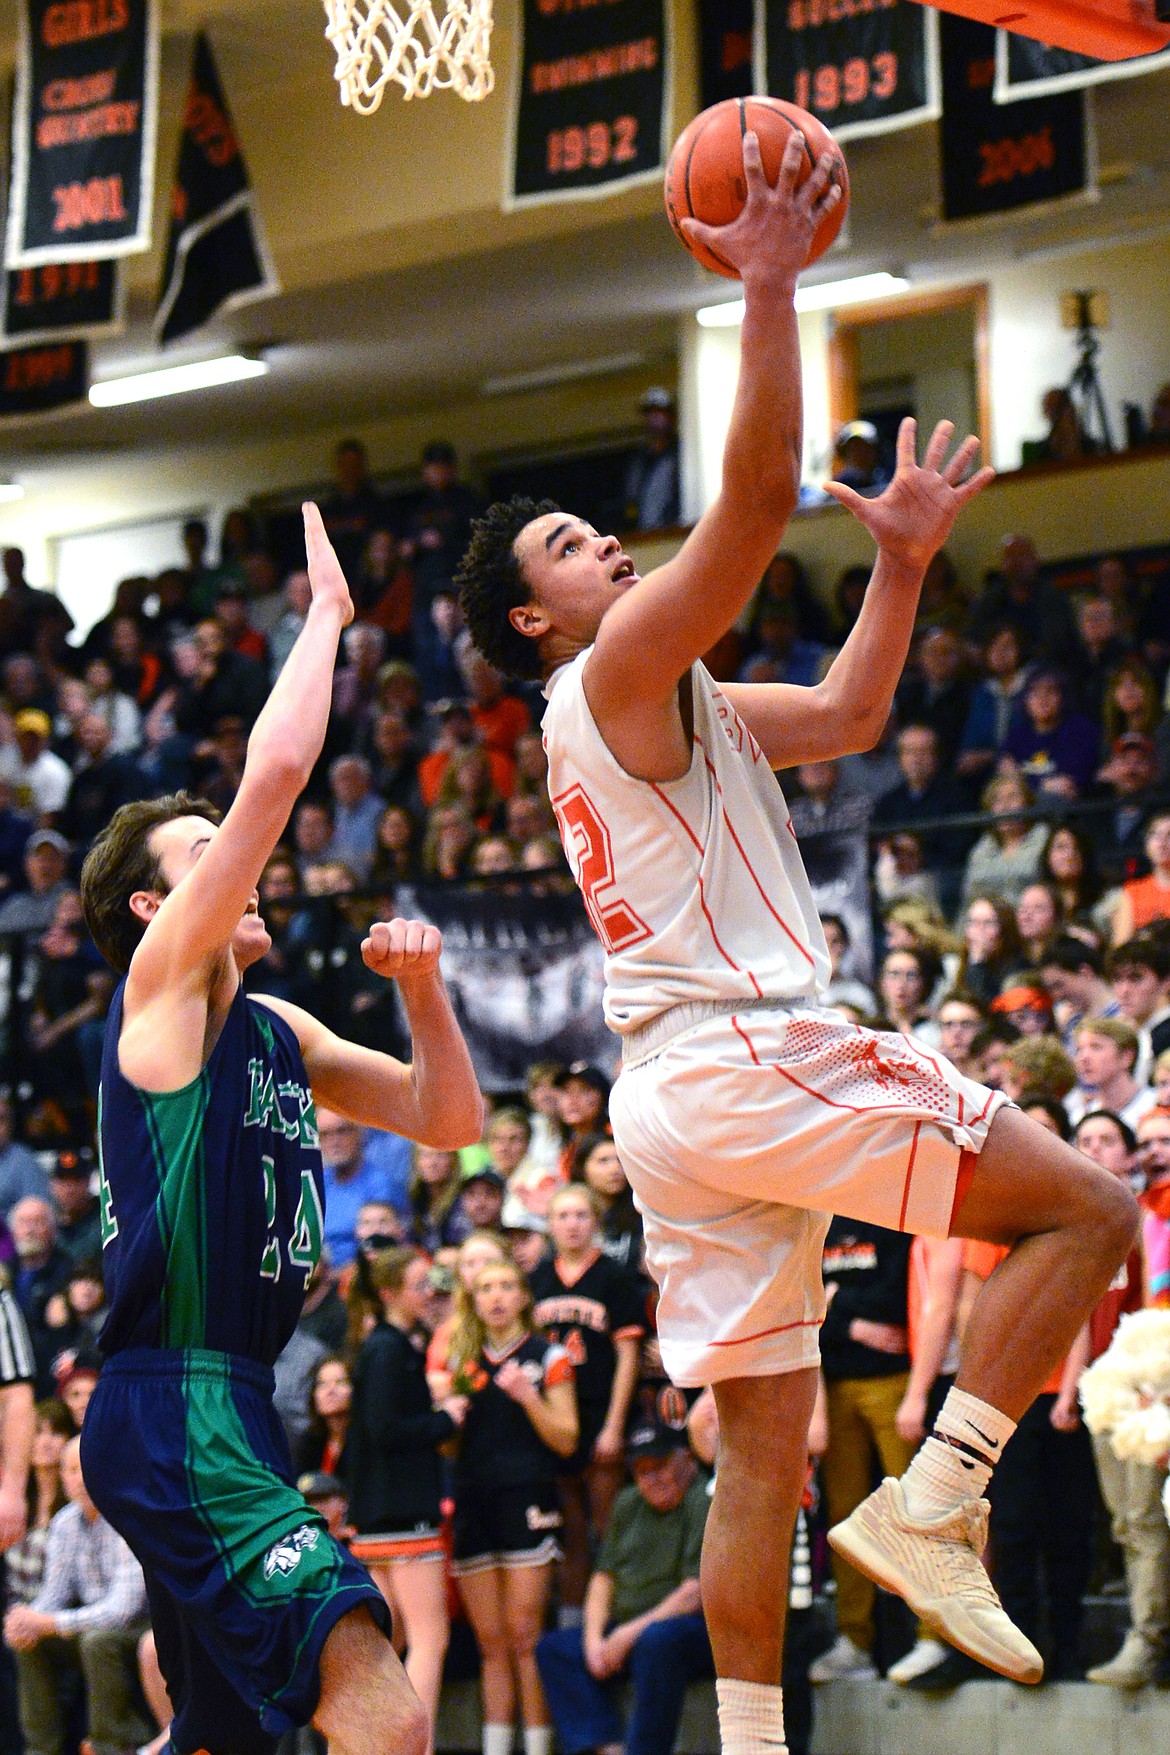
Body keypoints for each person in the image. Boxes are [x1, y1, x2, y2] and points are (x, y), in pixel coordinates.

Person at [454, 124, 1139, 1750]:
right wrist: (768, 286)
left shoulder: (661, 695)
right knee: (1093, 1210)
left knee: (761, 1446)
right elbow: (759, 499)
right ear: (534, 623)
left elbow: (846, 706)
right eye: (571, 550)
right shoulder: (608, 674)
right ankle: (940, 1494)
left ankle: (754, 1745)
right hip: (741, 1050)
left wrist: (899, 564)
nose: (605, 548)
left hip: (677, 1106)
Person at [75, 504, 484, 1755]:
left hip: (234, 1401)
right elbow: (276, 778)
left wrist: (422, 993)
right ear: (161, 904)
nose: (239, 869)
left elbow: (446, 1116)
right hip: (173, 1401)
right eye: (208, 859)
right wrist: (324, 623)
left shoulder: (280, 1030)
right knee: (382, 1709)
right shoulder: (164, 998)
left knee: (223, 1737)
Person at [448, 1257, 578, 1755]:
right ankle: (497, 1747)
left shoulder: (549, 1356)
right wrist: (442, 1412)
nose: (497, 1296)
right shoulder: (465, 1364)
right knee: (491, 1643)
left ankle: (539, 1746)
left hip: (528, 1498)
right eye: (486, 1288)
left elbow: (567, 1439)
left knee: (525, 1636)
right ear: (474, 1300)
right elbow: (450, 1447)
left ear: (524, 1296)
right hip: (475, 1502)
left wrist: (529, 1398)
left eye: (506, 1286)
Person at [535, 1414, 714, 1755]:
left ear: (685, 1460)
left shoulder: (702, 1500)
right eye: (641, 1470)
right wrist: (593, 1640)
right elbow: (604, 1577)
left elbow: (697, 1592)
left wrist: (625, 1635)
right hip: (632, 1630)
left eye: (659, 1466)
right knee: (555, 1649)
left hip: (688, 1630)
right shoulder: (629, 1502)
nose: (651, 1479)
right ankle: (607, 1748)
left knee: (657, 1642)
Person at [346, 1246, 466, 1743]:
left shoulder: (385, 1346)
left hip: (378, 1513)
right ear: (391, 1292)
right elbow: (384, 1429)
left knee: (389, 1641)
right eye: (419, 1284)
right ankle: (418, 1745)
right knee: (429, 1637)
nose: (427, 1291)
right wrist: (445, 1418)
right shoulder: (389, 1348)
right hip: (402, 1510)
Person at [530, 1183, 644, 1611]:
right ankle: (574, 1626)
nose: (572, 1224)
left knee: (610, 1527)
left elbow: (629, 1355)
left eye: (581, 1215)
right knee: (570, 1533)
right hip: (556, 1419)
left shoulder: (615, 1277)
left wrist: (615, 1425)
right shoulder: (537, 1279)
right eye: (562, 1216)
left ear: (596, 1222)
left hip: (600, 1415)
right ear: (549, 1225)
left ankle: (623, 1616)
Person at [3, 1436, 152, 1755]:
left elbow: (124, 1609)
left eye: (86, 1468)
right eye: (71, 1470)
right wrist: (27, 1620)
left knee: (96, 1641)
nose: (80, 1478)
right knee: (30, 1642)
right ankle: (41, 1748)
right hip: (93, 1624)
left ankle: (110, 1744)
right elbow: (53, 1596)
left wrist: (51, 1622)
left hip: (144, 1628)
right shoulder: (65, 1522)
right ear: (62, 1477)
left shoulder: (126, 1516)